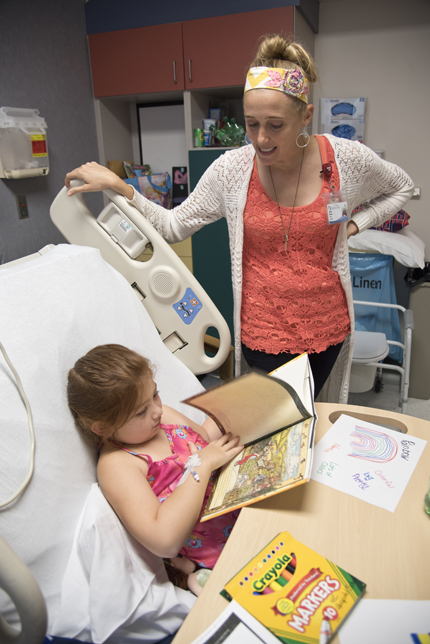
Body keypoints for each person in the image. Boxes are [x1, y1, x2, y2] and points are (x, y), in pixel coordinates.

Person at [65, 34, 414, 402]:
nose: (260, 139)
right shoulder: (232, 171)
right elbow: (172, 225)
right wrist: (122, 188)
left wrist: (354, 226)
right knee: (274, 425)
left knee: (309, 418)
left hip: (327, 329)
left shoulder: (345, 159)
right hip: (261, 333)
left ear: (305, 117)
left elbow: (402, 187)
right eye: (251, 124)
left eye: (275, 125)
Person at [67, 344, 243, 594]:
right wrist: (201, 467)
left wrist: (239, 404)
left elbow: (205, 438)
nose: (157, 410)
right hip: (222, 552)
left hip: (246, 508)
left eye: (155, 394)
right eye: (141, 411)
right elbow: (164, 541)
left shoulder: (166, 419)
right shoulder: (118, 464)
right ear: (103, 428)